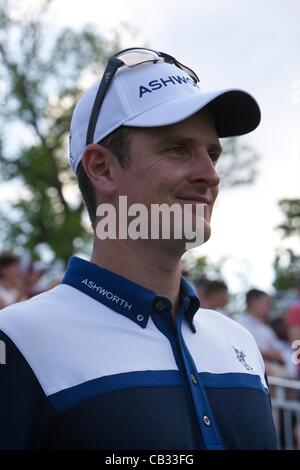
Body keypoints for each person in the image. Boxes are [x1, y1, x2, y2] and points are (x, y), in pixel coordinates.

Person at [0, 47, 276, 450]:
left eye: (212, 153)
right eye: (178, 149)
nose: (211, 175)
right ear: (102, 168)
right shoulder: (17, 341)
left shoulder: (240, 342)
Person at [238, 289, 294, 377]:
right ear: (254, 302)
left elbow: (279, 348)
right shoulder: (240, 324)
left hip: (268, 365)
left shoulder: (265, 328)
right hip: (251, 367)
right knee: (275, 373)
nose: (269, 307)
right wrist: (270, 355)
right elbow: (244, 349)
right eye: (266, 303)